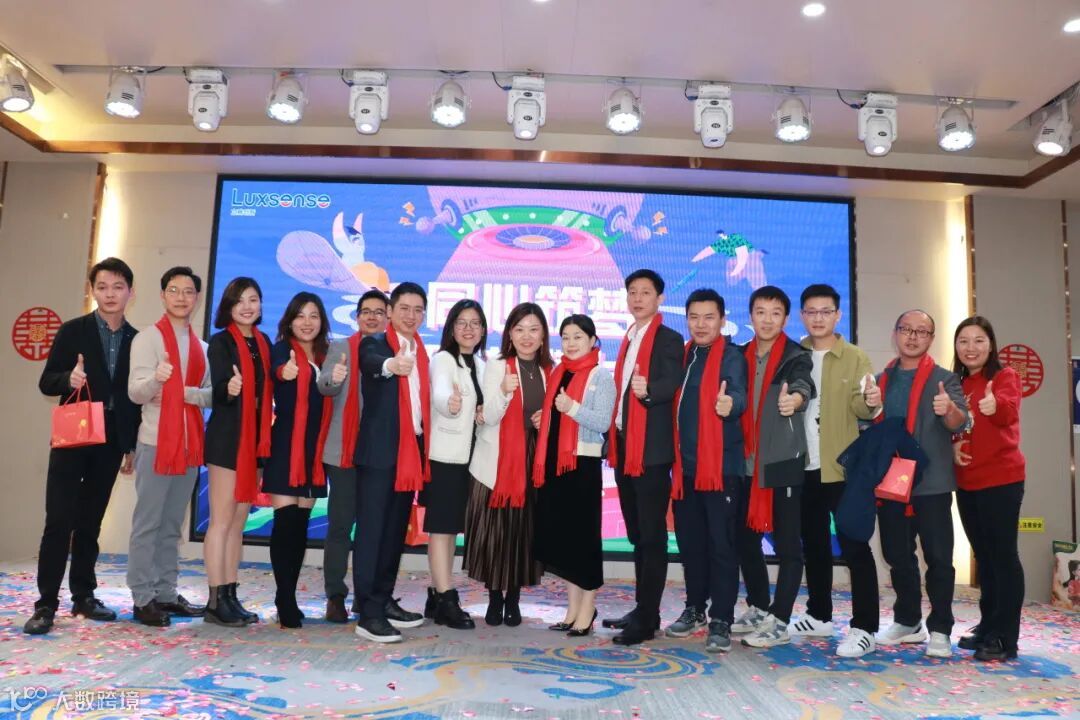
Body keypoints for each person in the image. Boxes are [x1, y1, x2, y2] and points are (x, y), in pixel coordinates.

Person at [25, 258, 140, 635]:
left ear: (130, 292)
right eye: (102, 287)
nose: (110, 294)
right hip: (73, 436)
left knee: (90, 521)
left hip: (110, 440)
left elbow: (133, 399)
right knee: (58, 520)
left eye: (118, 287)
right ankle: (45, 603)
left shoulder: (137, 339)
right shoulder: (73, 330)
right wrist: (68, 379)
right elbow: (47, 381)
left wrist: (129, 445)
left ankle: (84, 596)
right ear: (93, 291)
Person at [789, 284, 881, 659]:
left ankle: (865, 628)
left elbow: (863, 405)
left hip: (843, 469)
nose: (818, 318)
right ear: (802, 315)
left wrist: (872, 402)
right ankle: (819, 615)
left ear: (838, 315)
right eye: (811, 311)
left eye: (825, 311)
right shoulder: (794, 354)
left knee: (856, 547)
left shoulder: (855, 357)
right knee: (813, 545)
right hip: (804, 466)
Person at [874, 309, 969, 658]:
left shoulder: (945, 379)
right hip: (892, 481)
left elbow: (961, 421)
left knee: (939, 558)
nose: (913, 337)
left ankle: (941, 628)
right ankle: (908, 620)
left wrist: (949, 410)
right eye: (906, 329)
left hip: (932, 483)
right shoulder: (880, 380)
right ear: (895, 333)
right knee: (896, 554)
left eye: (921, 332)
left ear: (931, 338)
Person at [125, 266, 212, 628]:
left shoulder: (203, 347)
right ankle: (142, 598)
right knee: (147, 524)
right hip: (156, 443)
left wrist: (182, 392)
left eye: (188, 291)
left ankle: (165, 593)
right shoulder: (147, 339)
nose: (181, 297)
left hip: (190, 447)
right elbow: (136, 392)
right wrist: (157, 382)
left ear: (197, 298)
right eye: (174, 290)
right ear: (162, 295)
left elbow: (211, 396)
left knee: (172, 526)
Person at [602, 269, 684, 646]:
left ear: (660, 298)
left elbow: (672, 381)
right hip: (625, 448)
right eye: (632, 292)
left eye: (645, 292)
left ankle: (648, 619)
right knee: (637, 535)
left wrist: (647, 390)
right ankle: (641, 609)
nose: (637, 298)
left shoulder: (668, 338)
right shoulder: (630, 336)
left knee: (652, 538)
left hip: (650, 452)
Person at [664, 289, 747, 653]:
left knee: (721, 546)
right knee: (692, 544)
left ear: (722, 320)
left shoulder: (731, 356)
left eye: (709, 317)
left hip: (720, 469)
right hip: (685, 471)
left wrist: (731, 404)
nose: (701, 324)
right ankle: (695, 608)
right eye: (694, 317)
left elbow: (738, 393)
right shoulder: (684, 356)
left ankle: (722, 618)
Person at [733, 285, 814, 649]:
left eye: (775, 313)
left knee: (788, 544)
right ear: (751, 316)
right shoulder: (738, 356)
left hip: (782, 459)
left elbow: (803, 385)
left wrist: (794, 400)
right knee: (744, 538)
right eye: (761, 312)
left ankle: (780, 620)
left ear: (786, 318)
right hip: (744, 460)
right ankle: (759, 605)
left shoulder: (796, 355)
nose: (767, 320)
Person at [352, 282, 430, 643]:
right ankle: (367, 613)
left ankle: (383, 599)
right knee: (372, 534)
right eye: (404, 309)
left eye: (418, 310)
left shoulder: (422, 352)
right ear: (391, 312)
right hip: (380, 455)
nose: (411, 316)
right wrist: (391, 365)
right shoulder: (376, 344)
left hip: (409, 455)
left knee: (394, 533)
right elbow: (371, 363)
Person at [466, 303, 552, 627]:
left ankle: (513, 599)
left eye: (533, 329)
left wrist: (546, 420)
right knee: (496, 533)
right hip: (497, 461)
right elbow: (487, 417)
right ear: (510, 335)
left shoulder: (549, 370)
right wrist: (503, 391)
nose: (526, 336)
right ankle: (494, 598)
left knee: (522, 533)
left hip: (532, 461)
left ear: (543, 335)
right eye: (519, 329)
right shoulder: (497, 365)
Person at [533, 315, 616, 637]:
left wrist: (571, 408)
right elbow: (555, 418)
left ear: (593, 340)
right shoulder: (559, 373)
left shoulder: (600, 375)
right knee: (566, 540)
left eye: (578, 336)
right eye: (565, 337)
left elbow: (603, 422)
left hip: (583, 466)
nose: (570, 343)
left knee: (584, 541)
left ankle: (587, 609)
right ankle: (572, 610)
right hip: (557, 467)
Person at [951, 316, 1025, 661]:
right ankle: (988, 625)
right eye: (963, 341)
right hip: (967, 482)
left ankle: (1005, 638)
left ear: (991, 344)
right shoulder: (957, 383)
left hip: (1001, 480)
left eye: (978, 340)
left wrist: (996, 406)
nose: (971, 348)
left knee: (1003, 558)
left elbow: (1007, 412)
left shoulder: (1004, 376)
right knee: (985, 557)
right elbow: (956, 426)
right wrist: (953, 444)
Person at [203, 277, 273, 627]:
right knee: (221, 520)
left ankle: (230, 595)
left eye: (253, 299)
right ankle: (215, 600)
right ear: (229, 306)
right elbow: (217, 390)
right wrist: (229, 389)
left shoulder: (264, 342)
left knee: (238, 522)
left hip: (256, 441)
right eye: (240, 300)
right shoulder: (220, 342)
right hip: (228, 439)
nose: (247, 306)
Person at [318, 289, 388, 623]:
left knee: (372, 529)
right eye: (366, 311)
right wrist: (334, 378)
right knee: (341, 525)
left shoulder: (393, 351)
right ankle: (335, 595)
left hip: (378, 452)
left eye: (378, 312)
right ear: (357, 317)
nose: (372, 317)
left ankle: (366, 595)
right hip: (343, 450)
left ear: (387, 318)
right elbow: (324, 385)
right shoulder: (341, 347)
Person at [264, 293, 333, 628]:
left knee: (301, 527)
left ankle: (289, 594)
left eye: (314, 316)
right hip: (285, 448)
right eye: (301, 316)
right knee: (286, 524)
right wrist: (285, 371)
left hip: (313, 451)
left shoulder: (327, 355)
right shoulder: (281, 349)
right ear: (290, 320)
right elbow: (277, 371)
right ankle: (284, 599)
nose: (307, 322)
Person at [423, 299, 488, 630]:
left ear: (483, 330)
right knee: (441, 529)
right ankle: (446, 598)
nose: (468, 328)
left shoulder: (481, 364)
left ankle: (437, 595)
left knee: (450, 529)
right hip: (445, 458)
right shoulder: (443, 359)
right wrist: (449, 404)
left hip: (469, 459)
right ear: (450, 328)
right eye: (462, 322)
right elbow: (440, 394)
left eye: (475, 323)